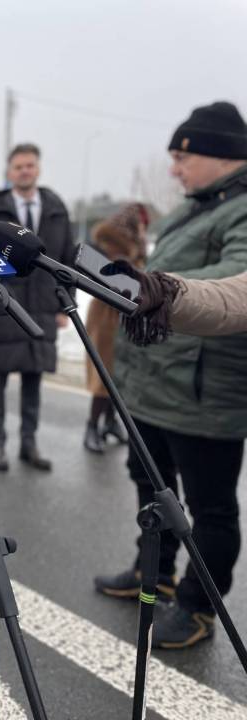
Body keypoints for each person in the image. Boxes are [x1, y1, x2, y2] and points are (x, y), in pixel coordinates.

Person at [95, 101, 247, 649]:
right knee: (152, 485)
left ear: (221, 154)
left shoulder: (241, 210)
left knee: (209, 507)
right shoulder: (201, 207)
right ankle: (153, 573)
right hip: (157, 382)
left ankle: (199, 606)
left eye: (183, 157)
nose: (175, 169)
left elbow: (233, 279)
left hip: (204, 391)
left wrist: (153, 284)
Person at [0, 143, 76, 472]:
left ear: (37, 169)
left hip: (43, 306)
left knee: (33, 381)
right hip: (2, 306)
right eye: (18, 167)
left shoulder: (56, 209)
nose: (25, 171)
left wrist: (65, 305)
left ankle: (30, 443)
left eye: (30, 165)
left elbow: (67, 260)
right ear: (9, 172)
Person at [82, 203, 148, 453]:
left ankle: (110, 422)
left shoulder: (135, 248)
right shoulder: (110, 246)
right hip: (106, 317)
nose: (144, 230)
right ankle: (91, 426)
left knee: (118, 375)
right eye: (143, 225)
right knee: (105, 373)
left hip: (126, 314)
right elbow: (110, 280)